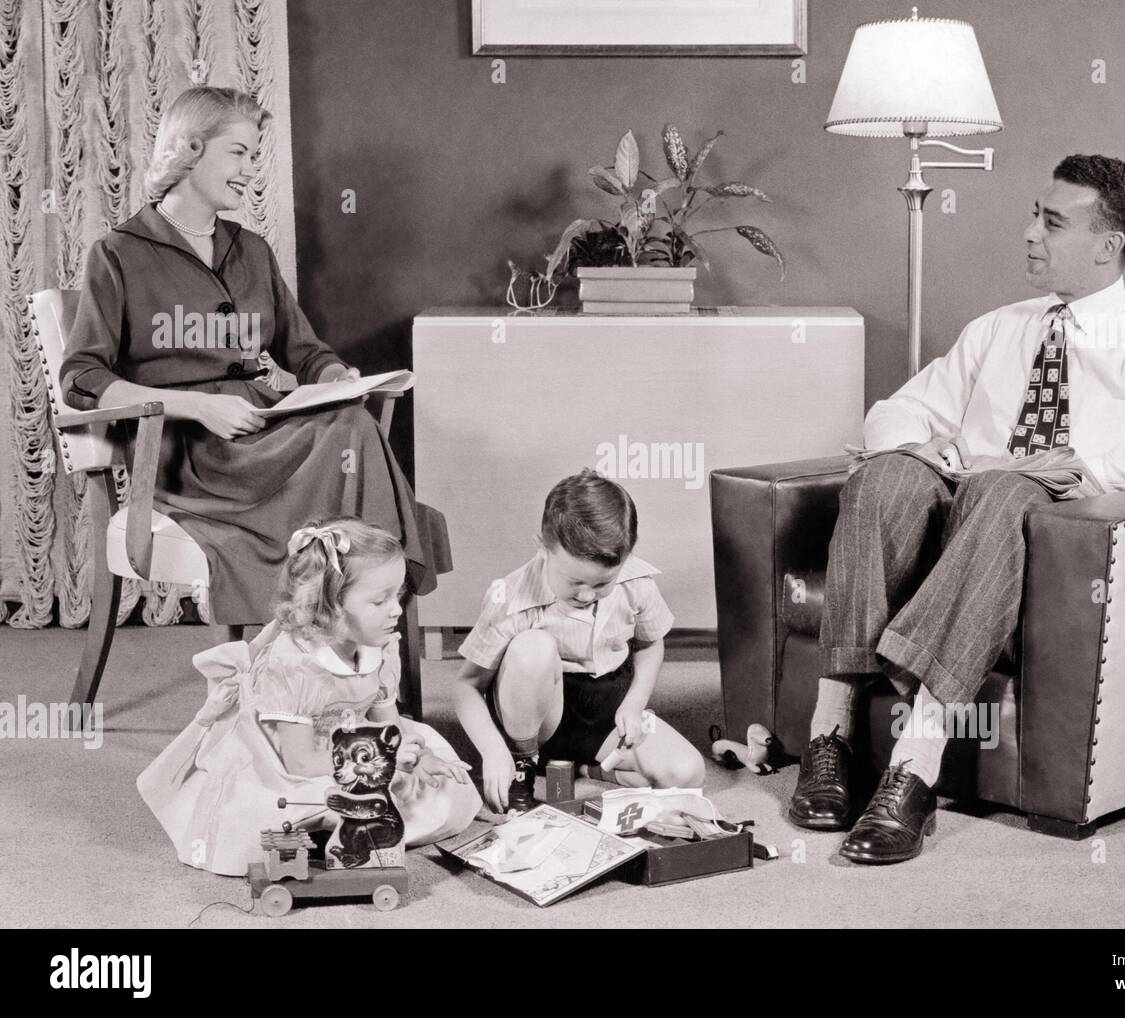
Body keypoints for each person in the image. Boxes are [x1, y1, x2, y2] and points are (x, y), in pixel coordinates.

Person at [789, 154, 1125, 864]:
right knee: (885, 477)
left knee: (1004, 491)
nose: (1029, 233)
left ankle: (914, 767)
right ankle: (832, 736)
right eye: (1035, 213)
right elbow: (895, 414)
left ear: (1107, 245)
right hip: (942, 531)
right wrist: (926, 447)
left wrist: (1062, 470)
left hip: (1033, 556)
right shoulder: (999, 329)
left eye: (1051, 222)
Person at [58, 86, 450, 624]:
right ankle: (358, 630)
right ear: (190, 149)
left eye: (253, 154)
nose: (249, 168)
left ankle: (350, 633)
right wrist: (196, 407)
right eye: (238, 153)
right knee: (351, 436)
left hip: (258, 429)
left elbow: (304, 350)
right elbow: (82, 376)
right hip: (189, 452)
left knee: (351, 421)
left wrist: (338, 376)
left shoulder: (252, 250)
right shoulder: (118, 253)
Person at [137, 518, 482, 876]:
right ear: (331, 604)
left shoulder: (380, 648)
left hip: (359, 748)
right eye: (380, 600)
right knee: (274, 812)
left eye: (397, 595)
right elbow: (298, 762)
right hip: (292, 759)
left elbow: (388, 727)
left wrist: (413, 756)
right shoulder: (296, 664)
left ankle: (344, 829)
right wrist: (386, 763)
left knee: (445, 788)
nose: (396, 609)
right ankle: (326, 831)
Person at [451, 469, 706, 813]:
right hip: (537, 711)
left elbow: (650, 644)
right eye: (573, 582)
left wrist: (633, 705)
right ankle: (525, 765)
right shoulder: (509, 596)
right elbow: (466, 686)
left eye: (602, 584)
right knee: (533, 649)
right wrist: (493, 750)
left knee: (687, 774)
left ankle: (586, 768)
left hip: (607, 706)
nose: (587, 595)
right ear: (543, 547)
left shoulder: (638, 581)